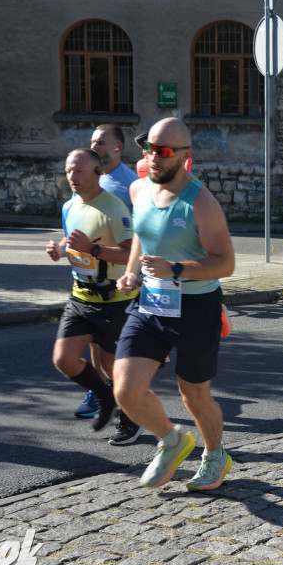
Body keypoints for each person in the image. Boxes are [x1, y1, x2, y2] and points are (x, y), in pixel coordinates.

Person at [113, 117, 237, 491]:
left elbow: (226, 264)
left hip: (196, 308)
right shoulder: (137, 190)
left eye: (164, 152)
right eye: (149, 148)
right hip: (150, 302)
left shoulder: (201, 202)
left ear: (185, 156)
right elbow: (140, 235)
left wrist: (177, 267)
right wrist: (131, 272)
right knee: (124, 390)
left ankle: (215, 454)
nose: (154, 157)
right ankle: (171, 441)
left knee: (194, 394)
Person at [46, 149, 137, 439]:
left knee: (113, 368)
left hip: (113, 302)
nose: (72, 176)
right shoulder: (69, 206)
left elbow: (130, 254)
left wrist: (94, 250)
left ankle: (131, 419)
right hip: (80, 297)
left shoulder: (114, 209)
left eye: (79, 171)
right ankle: (105, 397)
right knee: (64, 359)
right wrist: (60, 250)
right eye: (69, 170)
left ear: (98, 172)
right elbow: (72, 239)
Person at [70, 124, 144, 444]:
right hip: (88, 280)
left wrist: (135, 271)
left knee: (115, 354)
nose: (94, 145)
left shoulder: (130, 185)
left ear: (117, 147)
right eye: (91, 141)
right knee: (96, 346)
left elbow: (141, 234)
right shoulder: (88, 179)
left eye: (101, 141)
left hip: (121, 281)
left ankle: (129, 409)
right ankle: (100, 392)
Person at [90, 124, 140, 211]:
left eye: (100, 143)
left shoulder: (132, 184)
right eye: (92, 142)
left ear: (118, 147)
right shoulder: (85, 177)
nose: (93, 147)